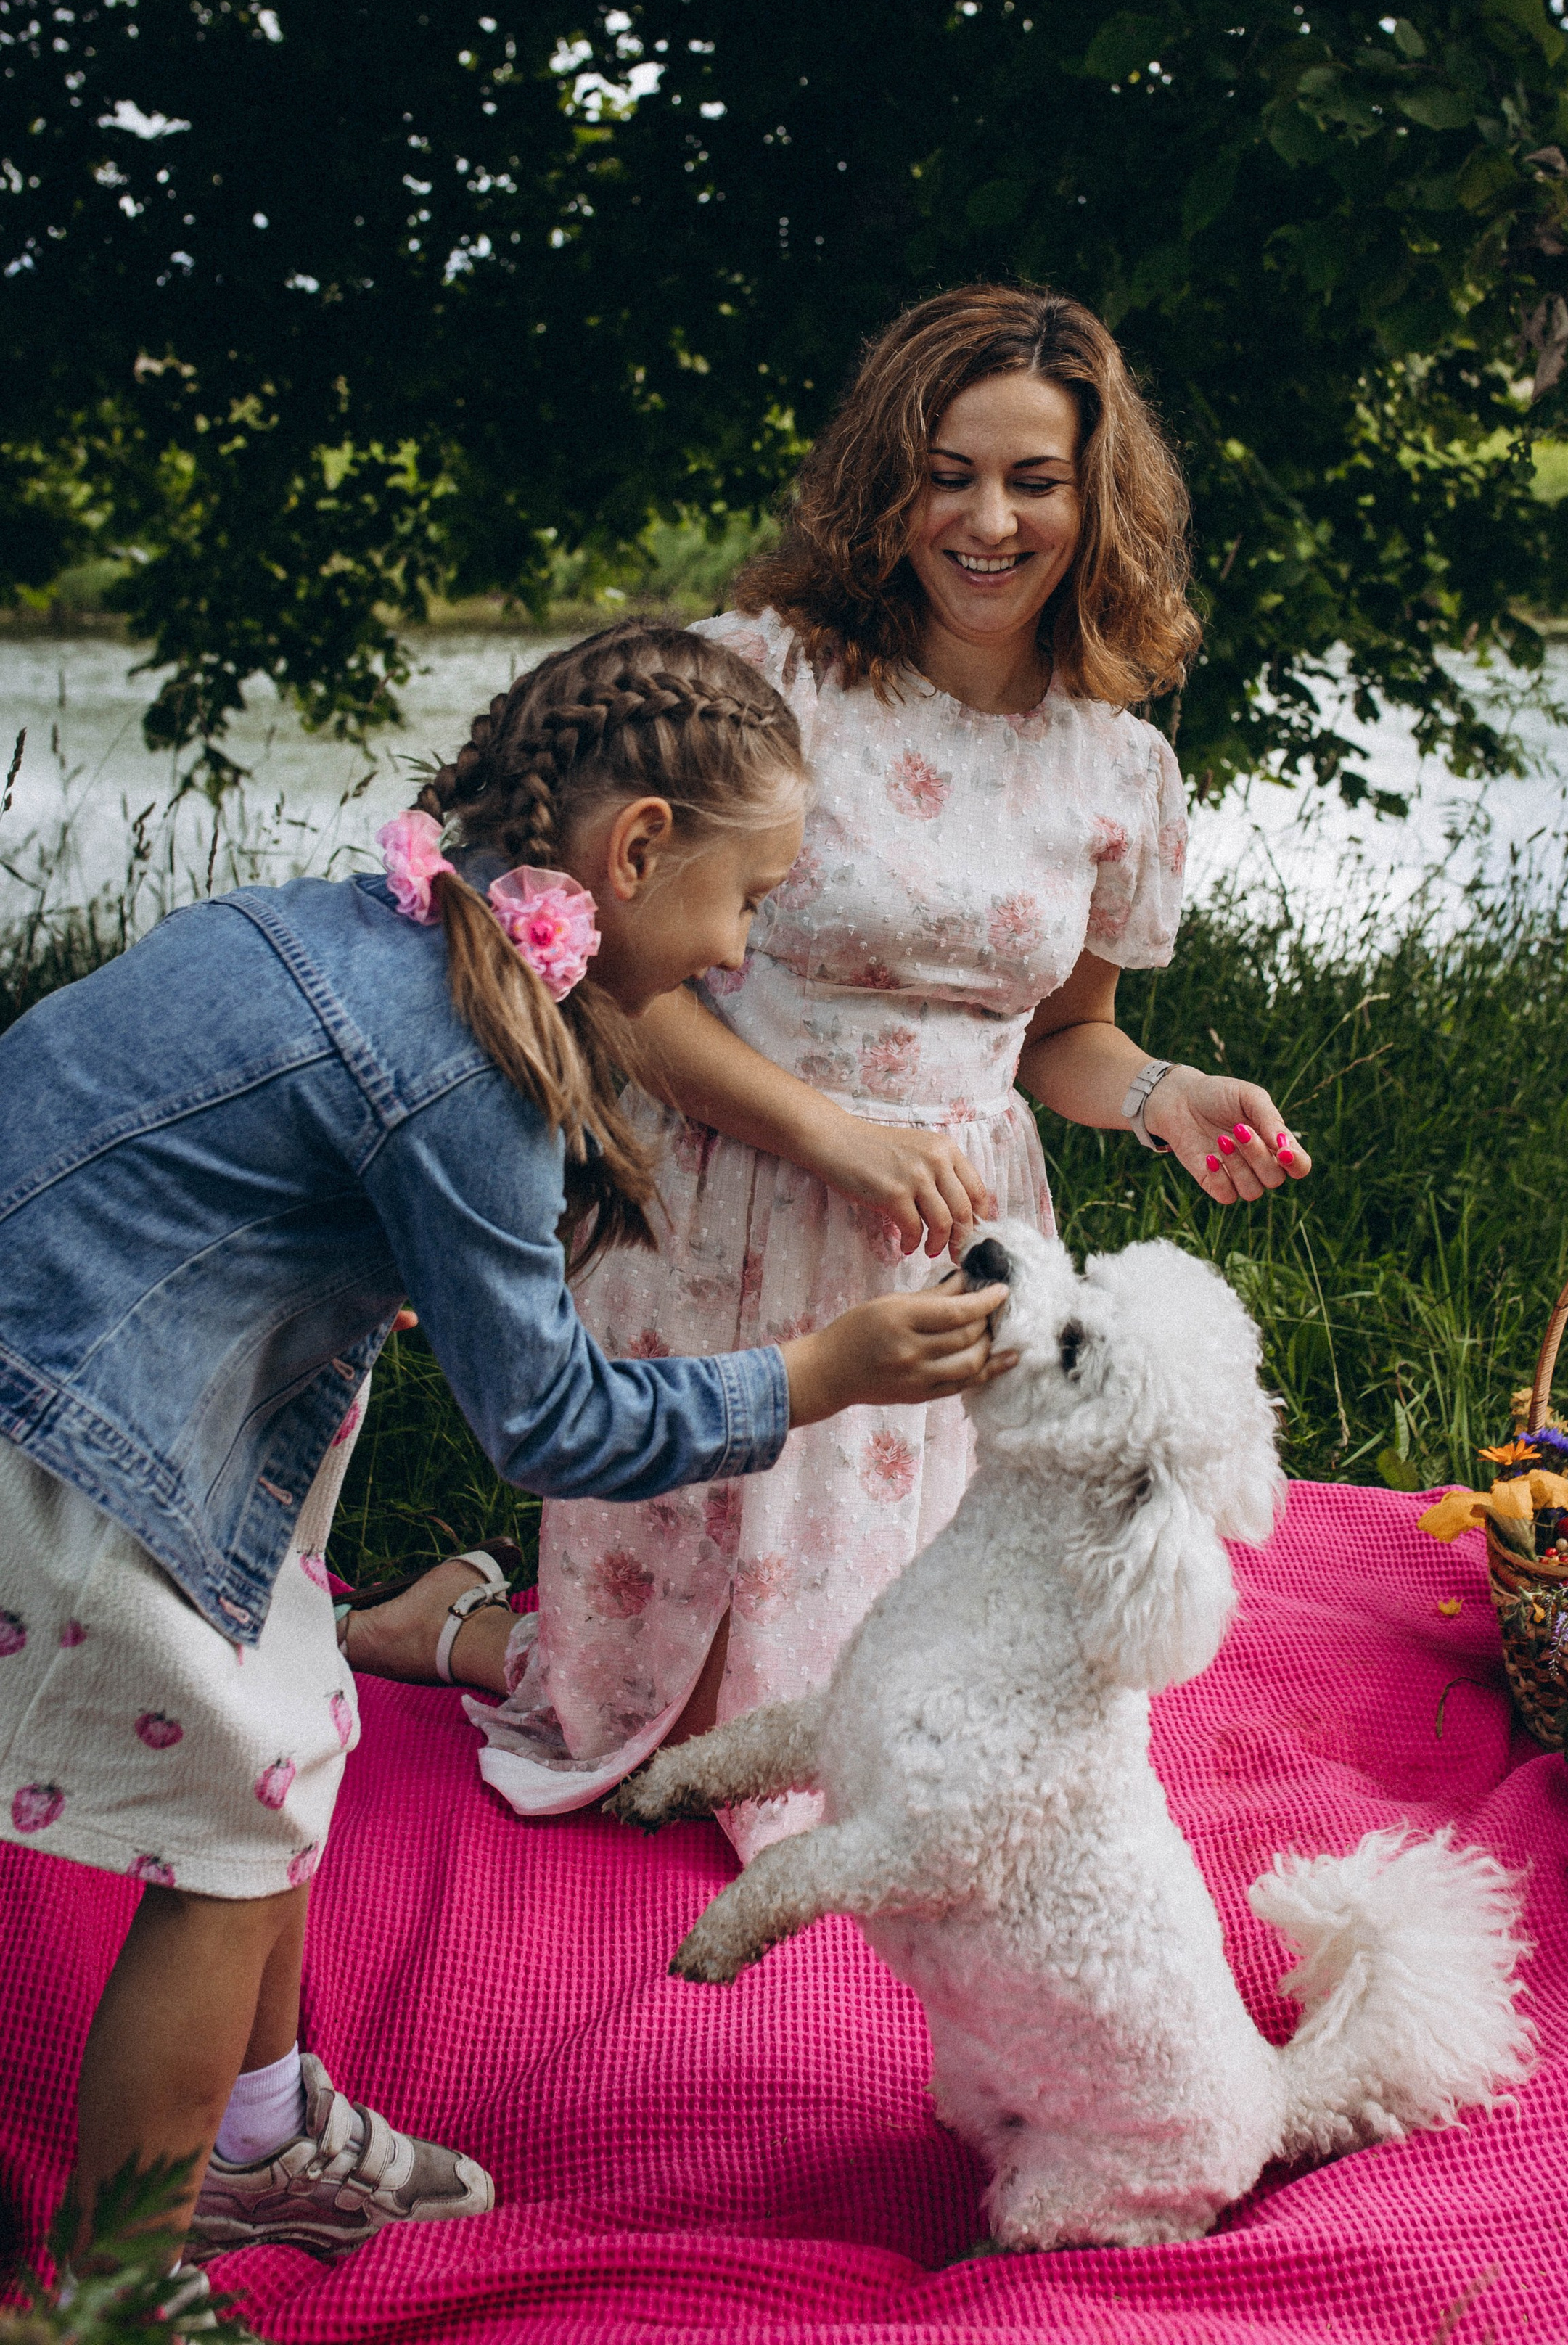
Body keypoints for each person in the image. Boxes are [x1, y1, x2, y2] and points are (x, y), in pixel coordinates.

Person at [0, 620, 1009, 2275]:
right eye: (746, 902)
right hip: (57, 1416)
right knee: (236, 1838)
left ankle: (253, 2139)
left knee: (295, 1731)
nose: (743, 952)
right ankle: (109, 2290)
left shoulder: (368, 925)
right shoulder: (466, 1064)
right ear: (634, 852)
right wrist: (816, 1373)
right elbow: (548, 1423)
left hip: (91, 1344)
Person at [350, 283, 1312, 1859]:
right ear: (889, 480)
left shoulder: (1118, 760)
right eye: (948, 472)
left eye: (1033, 479)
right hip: (726, 1187)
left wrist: (1160, 1095)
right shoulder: (762, 678)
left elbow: (1064, 1039)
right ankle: (456, 1626)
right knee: (651, 1705)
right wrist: (834, 1135)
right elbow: (592, 971)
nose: (986, 519)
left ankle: (475, 1614)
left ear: (1096, 498)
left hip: (957, 1228)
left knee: (887, 1705)